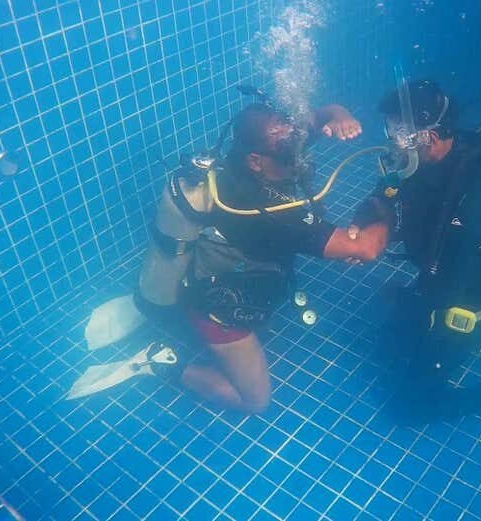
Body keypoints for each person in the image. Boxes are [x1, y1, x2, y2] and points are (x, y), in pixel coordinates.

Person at [71, 102, 389, 413]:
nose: (301, 159)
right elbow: (365, 249)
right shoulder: (267, 210)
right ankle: (160, 363)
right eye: (292, 153)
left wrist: (340, 115)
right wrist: (396, 202)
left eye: (298, 144)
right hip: (218, 308)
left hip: (216, 267)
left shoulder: (259, 152)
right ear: (255, 161)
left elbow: (323, 114)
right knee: (254, 401)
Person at [349, 80, 481, 420]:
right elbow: (382, 197)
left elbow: (451, 273)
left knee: (405, 407)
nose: (392, 142)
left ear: (429, 138)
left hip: (464, 303)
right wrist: (363, 224)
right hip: (435, 281)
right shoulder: (420, 164)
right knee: (384, 355)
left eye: (399, 134)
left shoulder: (475, 189)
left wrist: (421, 314)